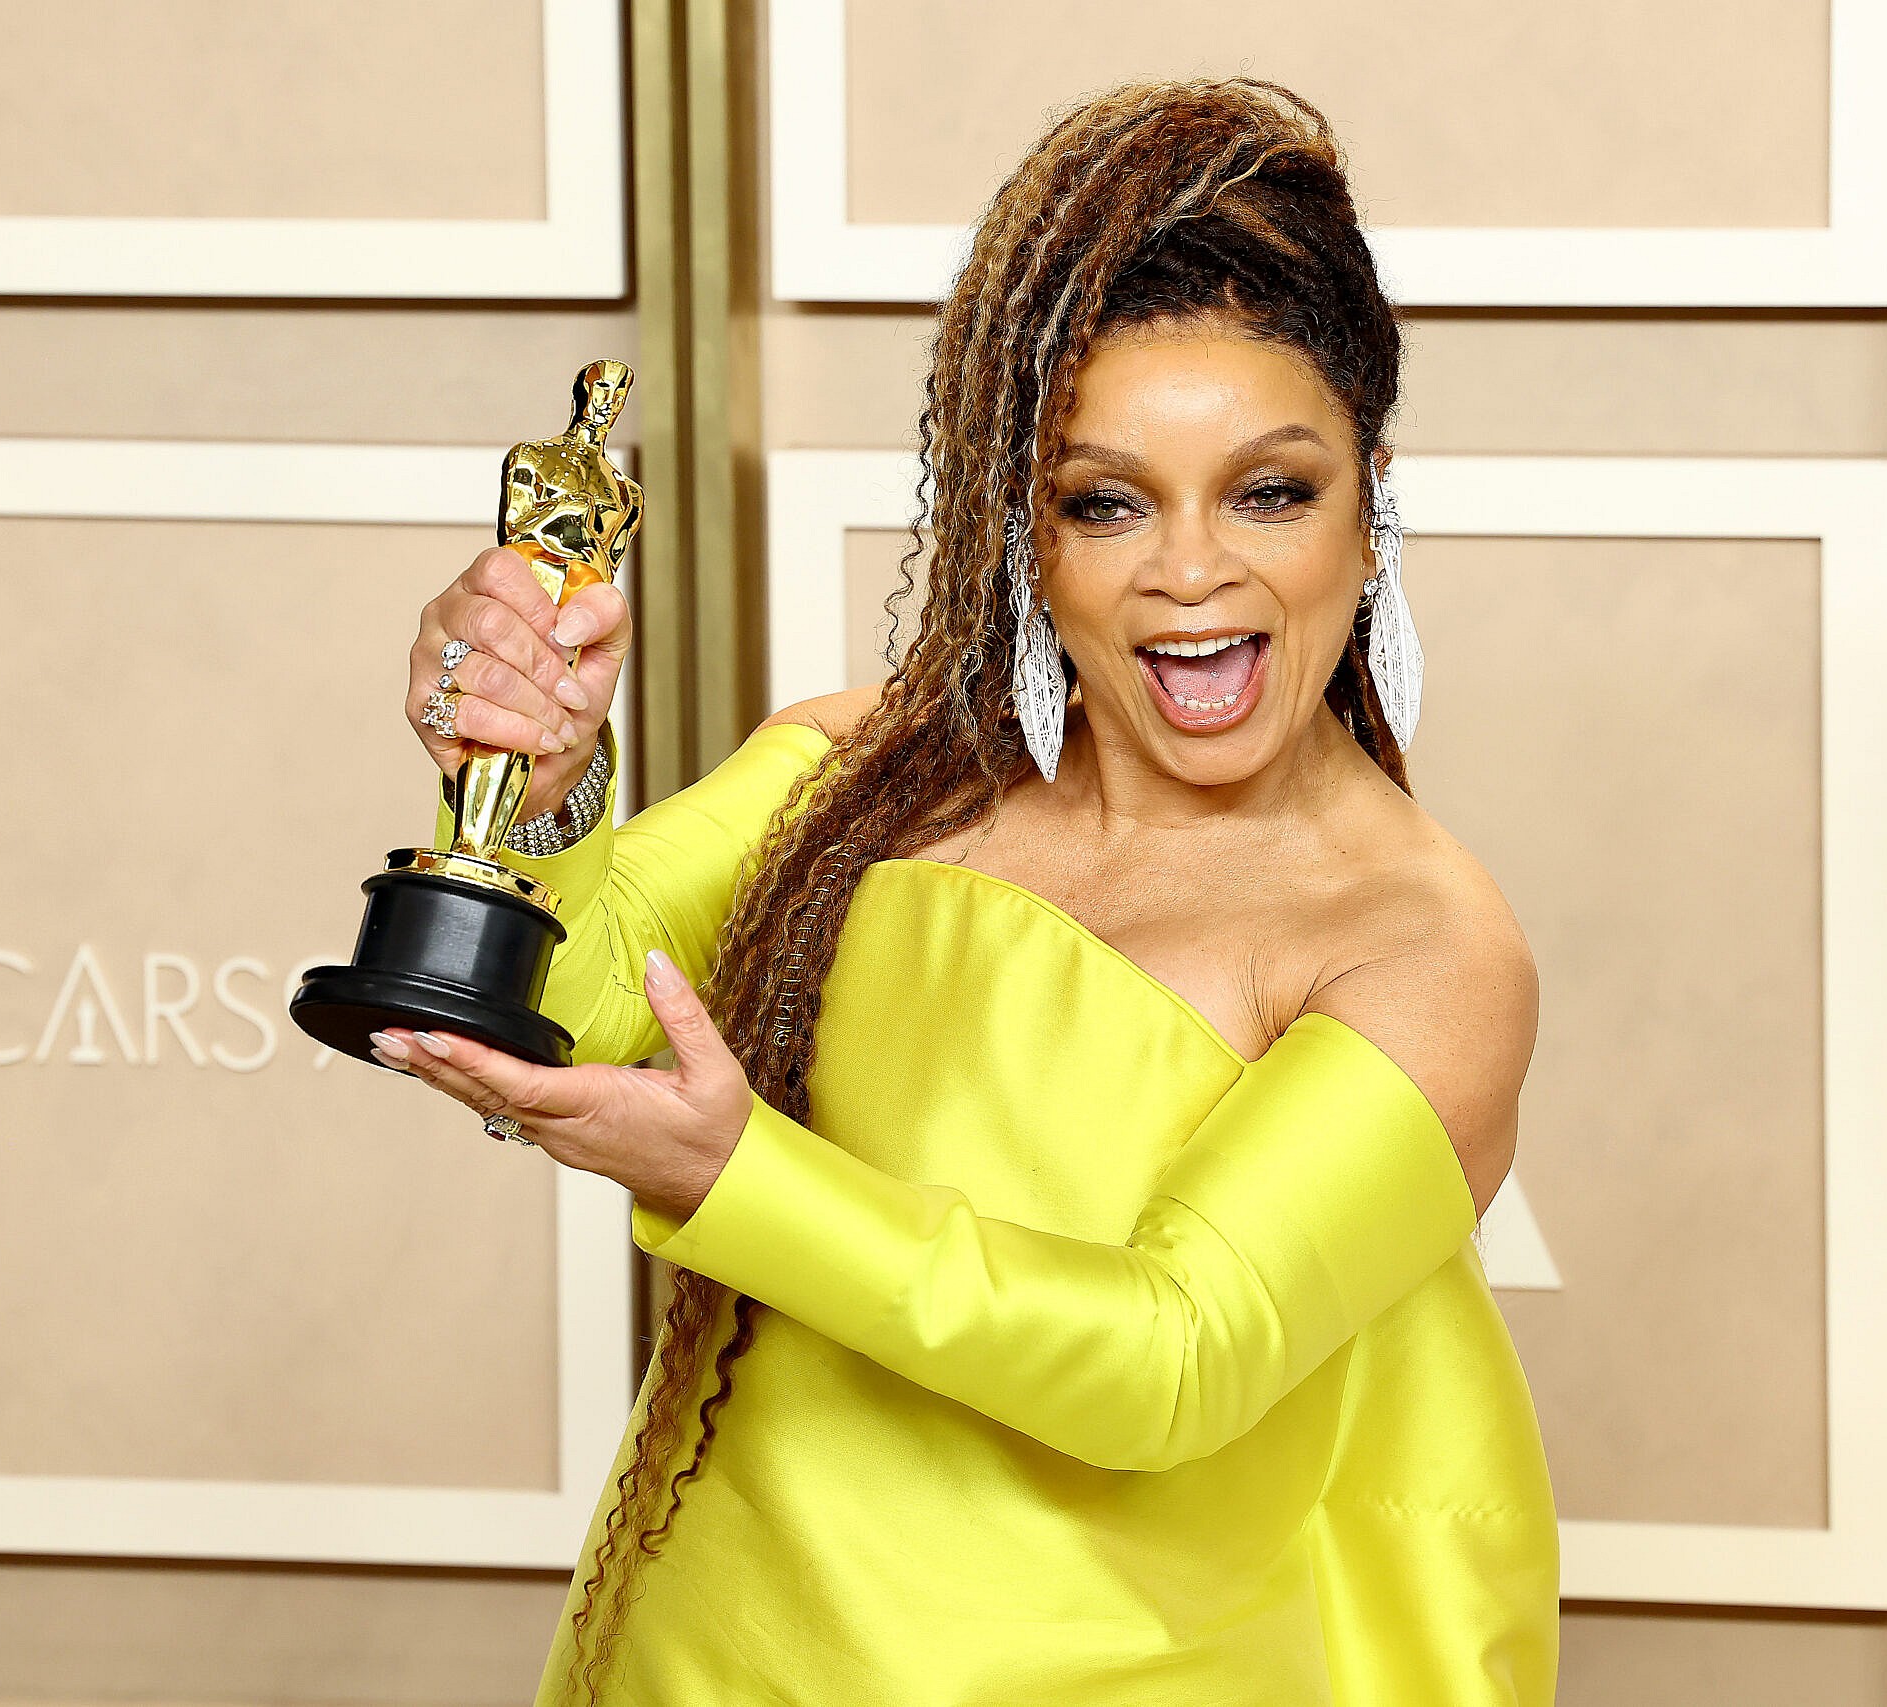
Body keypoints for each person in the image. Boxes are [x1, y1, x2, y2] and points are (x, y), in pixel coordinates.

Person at [370, 76, 1558, 1707]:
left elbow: (1170, 1358)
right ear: (1024, 537)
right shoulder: (866, 774)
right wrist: (543, 777)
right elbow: (569, 998)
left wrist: (738, 1176)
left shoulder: (1419, 944)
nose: (1192, 569)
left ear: (1370, 513)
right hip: (699, 1664)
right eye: (1105, 501)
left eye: (1271, 491)